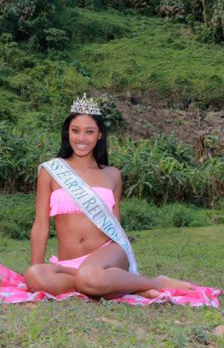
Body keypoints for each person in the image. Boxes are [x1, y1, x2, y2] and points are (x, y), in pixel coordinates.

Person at [24, 94, 194, 300]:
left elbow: (115, 226)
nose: (81, 138)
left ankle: (157, 282)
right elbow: (40, 227)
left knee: (90, 275)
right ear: (67, 132)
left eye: (89, 131)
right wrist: (36, 271)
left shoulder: (112, 174)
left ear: (99, 135)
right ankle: (113, 285)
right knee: (34, 276)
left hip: (108, 256)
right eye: (75, 130)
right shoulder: (51, 171)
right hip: (68, 265)